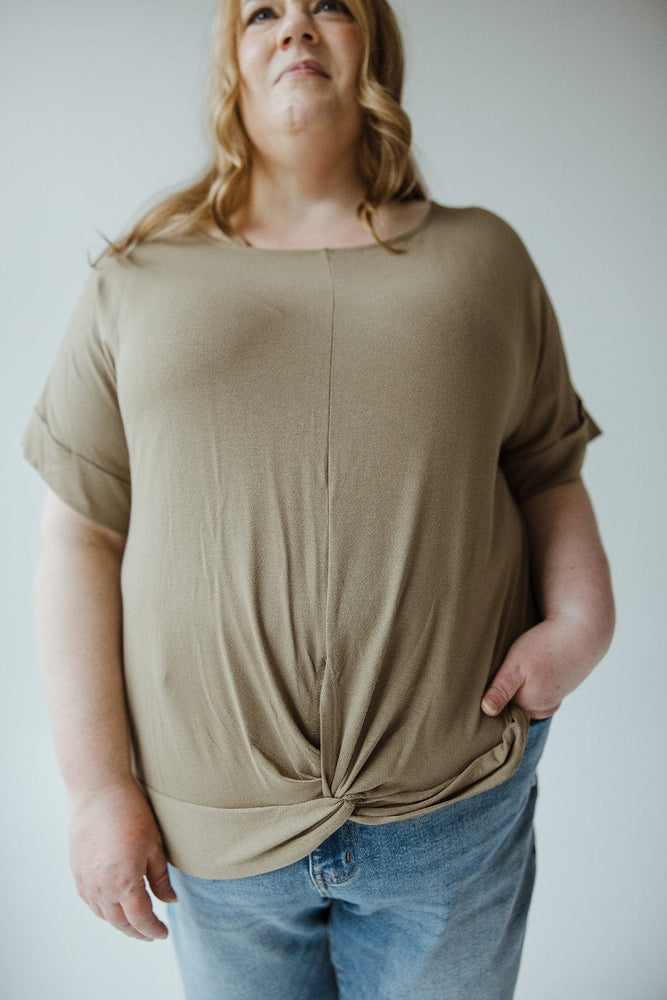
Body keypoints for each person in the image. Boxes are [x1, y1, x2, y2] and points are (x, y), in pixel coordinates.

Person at [23, 1, 615, 998]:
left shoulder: (482, 259)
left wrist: (583, 625)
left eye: (329, 6)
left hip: (451, 807)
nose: (296, 27)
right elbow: (79, 532)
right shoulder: (139, 277)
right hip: (212, 836)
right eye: (263, 12)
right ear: (234, 61)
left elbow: (547, 470)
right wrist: (95, 790)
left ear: (371, 47)